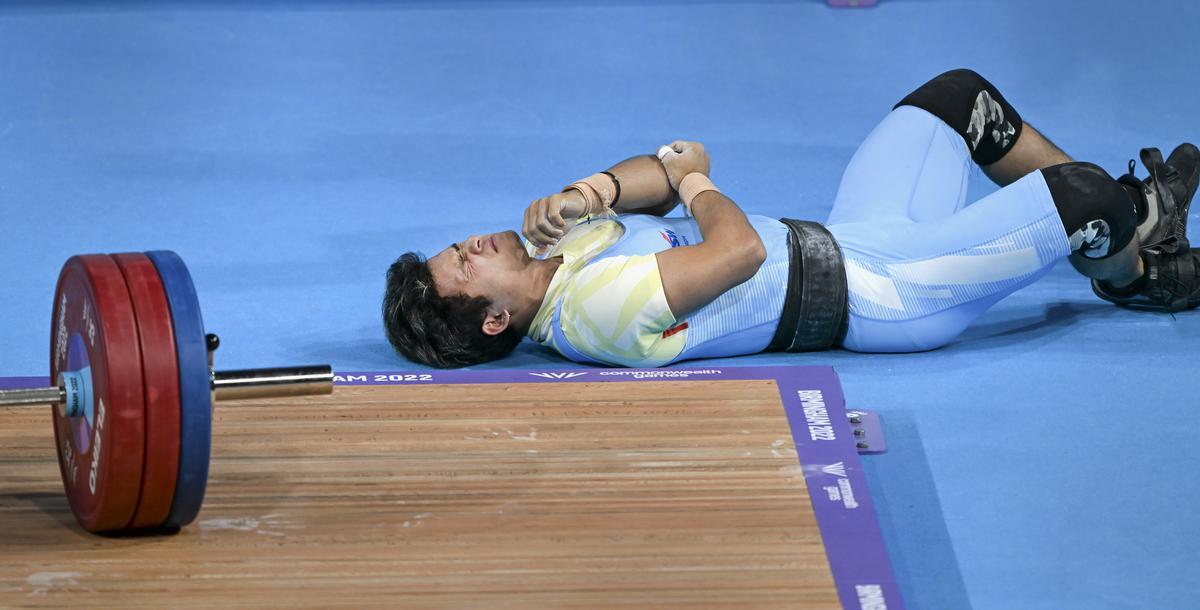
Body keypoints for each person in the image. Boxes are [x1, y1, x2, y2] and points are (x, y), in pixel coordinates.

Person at [383, 69, 1199, 369]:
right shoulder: (593, 311)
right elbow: (736, 250)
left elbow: (663, 167)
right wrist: (694, 180)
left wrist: (591, 191)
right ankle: (1133, 273)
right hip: (889, 293)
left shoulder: (557, 250)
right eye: (464, 264)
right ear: (495, 320)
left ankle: (1121, 226)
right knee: (1085, 195)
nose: (472, 244)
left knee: (957, 100)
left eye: (457, 245)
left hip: (856, 235)